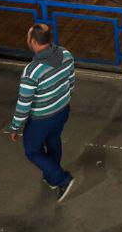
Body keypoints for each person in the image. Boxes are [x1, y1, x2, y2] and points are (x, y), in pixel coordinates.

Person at [9, 23, 77, 201]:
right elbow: (71, 82)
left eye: (28, 37)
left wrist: (15, 127)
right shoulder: (66, 54)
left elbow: (23, 104)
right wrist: (63, 100)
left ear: (33, 41)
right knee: (53, 140)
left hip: (41, 119)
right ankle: (51, 177)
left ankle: (62, 179)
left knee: (32, 150)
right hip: (62, 111)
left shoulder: (32, 72)